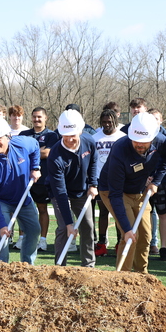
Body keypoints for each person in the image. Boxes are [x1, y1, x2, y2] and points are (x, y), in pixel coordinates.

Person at [99, 112, 166, 274]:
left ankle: (141, 276)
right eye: (136, 141)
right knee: (131, 235)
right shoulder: (119, 150)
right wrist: (126, 229)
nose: (139, 145)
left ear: (153, 138)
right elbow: (115, 195)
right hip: (113, 191)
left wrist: (156, 181)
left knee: (146, 236)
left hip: (139, 190)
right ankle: (122, 278)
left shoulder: (161, 141)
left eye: (144, 142)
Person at [0, 116, 41, 264]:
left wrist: (35, 167)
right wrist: (2, 224)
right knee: (3, 233)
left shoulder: (22, 143)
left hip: (23, 197)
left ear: (8, 136)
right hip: (2, 201)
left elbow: (36, 147)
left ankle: (27, 265)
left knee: (34, 230)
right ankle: (1, 269)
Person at [47, 110, 98, 267]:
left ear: (80, 131)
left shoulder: (89, 141)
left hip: (82, 192)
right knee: (63, 228)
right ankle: (60, 267)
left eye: (73, 135)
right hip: (61, 194)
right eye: (65, 135)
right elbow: (61, 192)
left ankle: (88, 266)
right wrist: (70, 223)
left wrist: (93, 184)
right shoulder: (55, 156)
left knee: (88, 226)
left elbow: (94, 161)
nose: (69, 139)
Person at [19, 107, 59, 251]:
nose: (37, 119)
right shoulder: (24, 134)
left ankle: (42, 240)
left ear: (45, 118)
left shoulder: (51, 136)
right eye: (34, 117)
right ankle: (22, 238)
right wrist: (37, 152)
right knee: (23, 209)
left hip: (42, 179)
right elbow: (18, 153)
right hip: (24, 178)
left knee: (42, 209)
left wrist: (30, 153)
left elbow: (47, 153)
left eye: (39, 117)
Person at [92, 108, 126, 256]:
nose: (106, 125)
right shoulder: (95, 137)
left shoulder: (123, 137)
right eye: (104, 122)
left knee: (119, 212)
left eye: (109, 122)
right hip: (101, 179)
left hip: (118, 179)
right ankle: (102, 243)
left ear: (115, 122)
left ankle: (120, 243)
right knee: (103, 212)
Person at [147, 108, 166, 261]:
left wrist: (156, 178)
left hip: (162, 182)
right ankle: (146, 245)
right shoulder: (144, 134)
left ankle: (163, 248)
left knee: (163, 214)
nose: (154, 121)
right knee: (145, 213)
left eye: (156, 118)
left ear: (161, 120)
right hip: (145, 182)